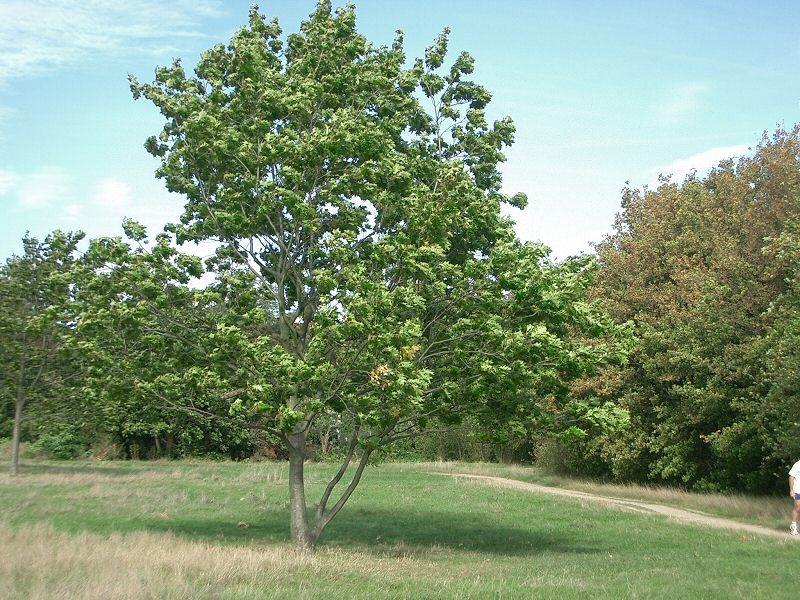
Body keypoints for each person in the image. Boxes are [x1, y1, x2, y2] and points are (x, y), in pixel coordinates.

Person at [789, 459, 800, 535]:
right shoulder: (797, 464)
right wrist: (791, 490)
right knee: (798, 507)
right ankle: (793, 526)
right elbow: (791, 477)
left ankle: (798, 526)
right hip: (797, 490)